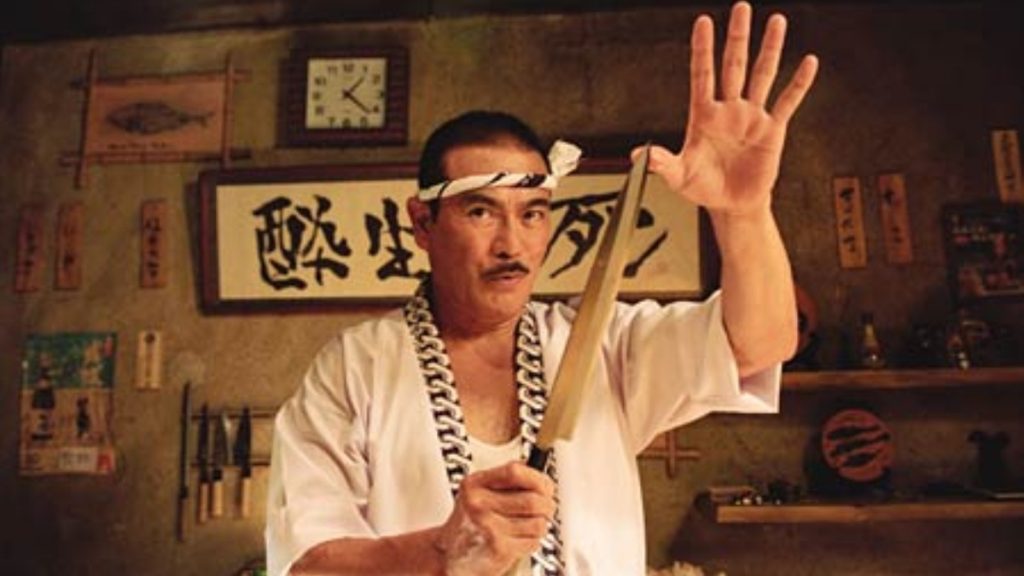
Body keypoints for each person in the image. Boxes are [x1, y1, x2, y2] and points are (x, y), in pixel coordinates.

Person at [266, 1, 818, 574]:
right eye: (481, 212)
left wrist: (744, 213)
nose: (513, 244)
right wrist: (442, 550)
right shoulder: (356, 368)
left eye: (532, 213)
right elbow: (307, 565)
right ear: (423, 224)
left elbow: (761, 343)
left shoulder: (600, 344)